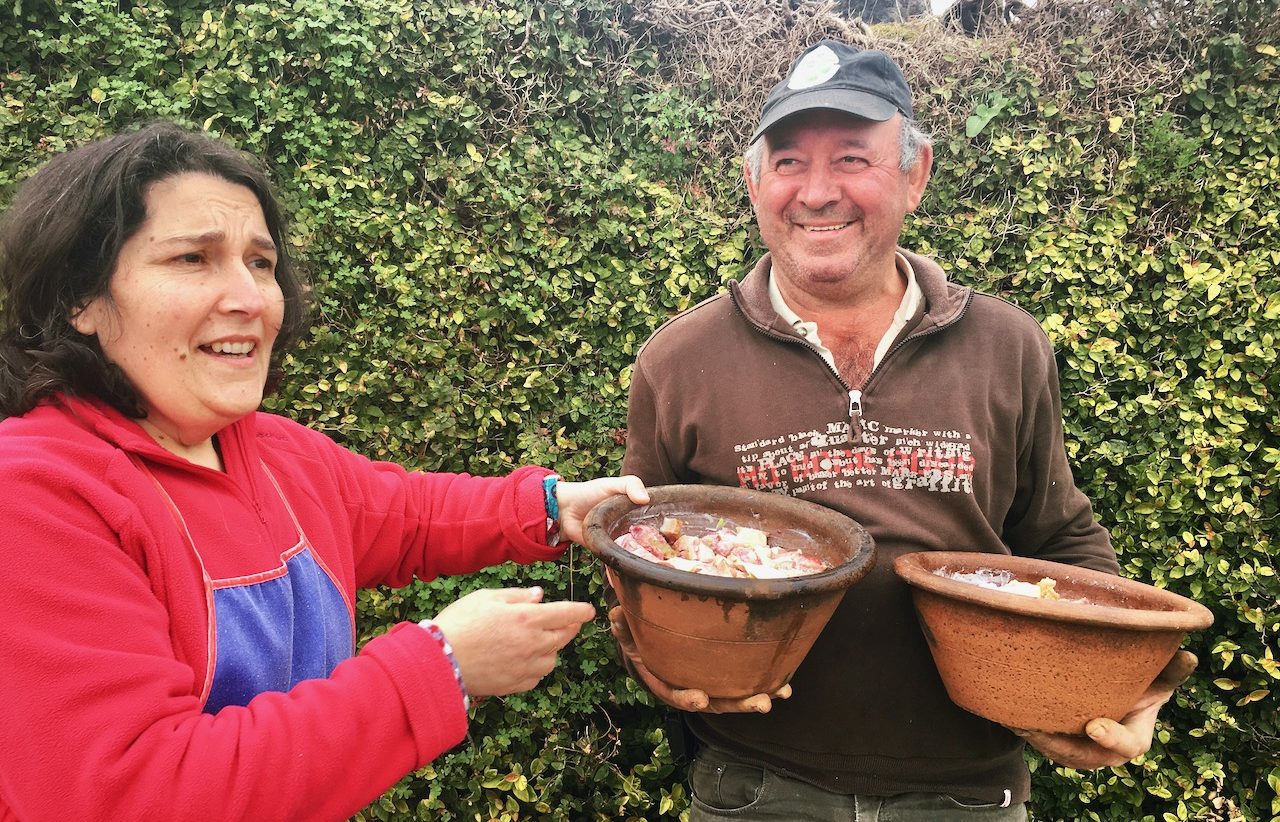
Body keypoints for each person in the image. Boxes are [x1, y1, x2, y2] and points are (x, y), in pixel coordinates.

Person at [0, 120, 649, 820]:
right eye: (192, 258)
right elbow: (136, 793)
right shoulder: (36, 496)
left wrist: (554, 507)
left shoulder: (270, 451)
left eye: (259, 262)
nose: (249, 298)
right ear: (81, 299)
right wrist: (441, 666)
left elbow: (405, 514)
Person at [617, 40, 1196, 820]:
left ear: (915, 174)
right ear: (754, 183)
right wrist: (645, 651)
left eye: (854, 157)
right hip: (756, 784)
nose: (817, 193)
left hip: (969, 790)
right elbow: (641, 551)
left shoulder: (1006, 345)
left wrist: (1122, 683)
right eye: (787, 162)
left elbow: (1059, 537)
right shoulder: (679, 360)